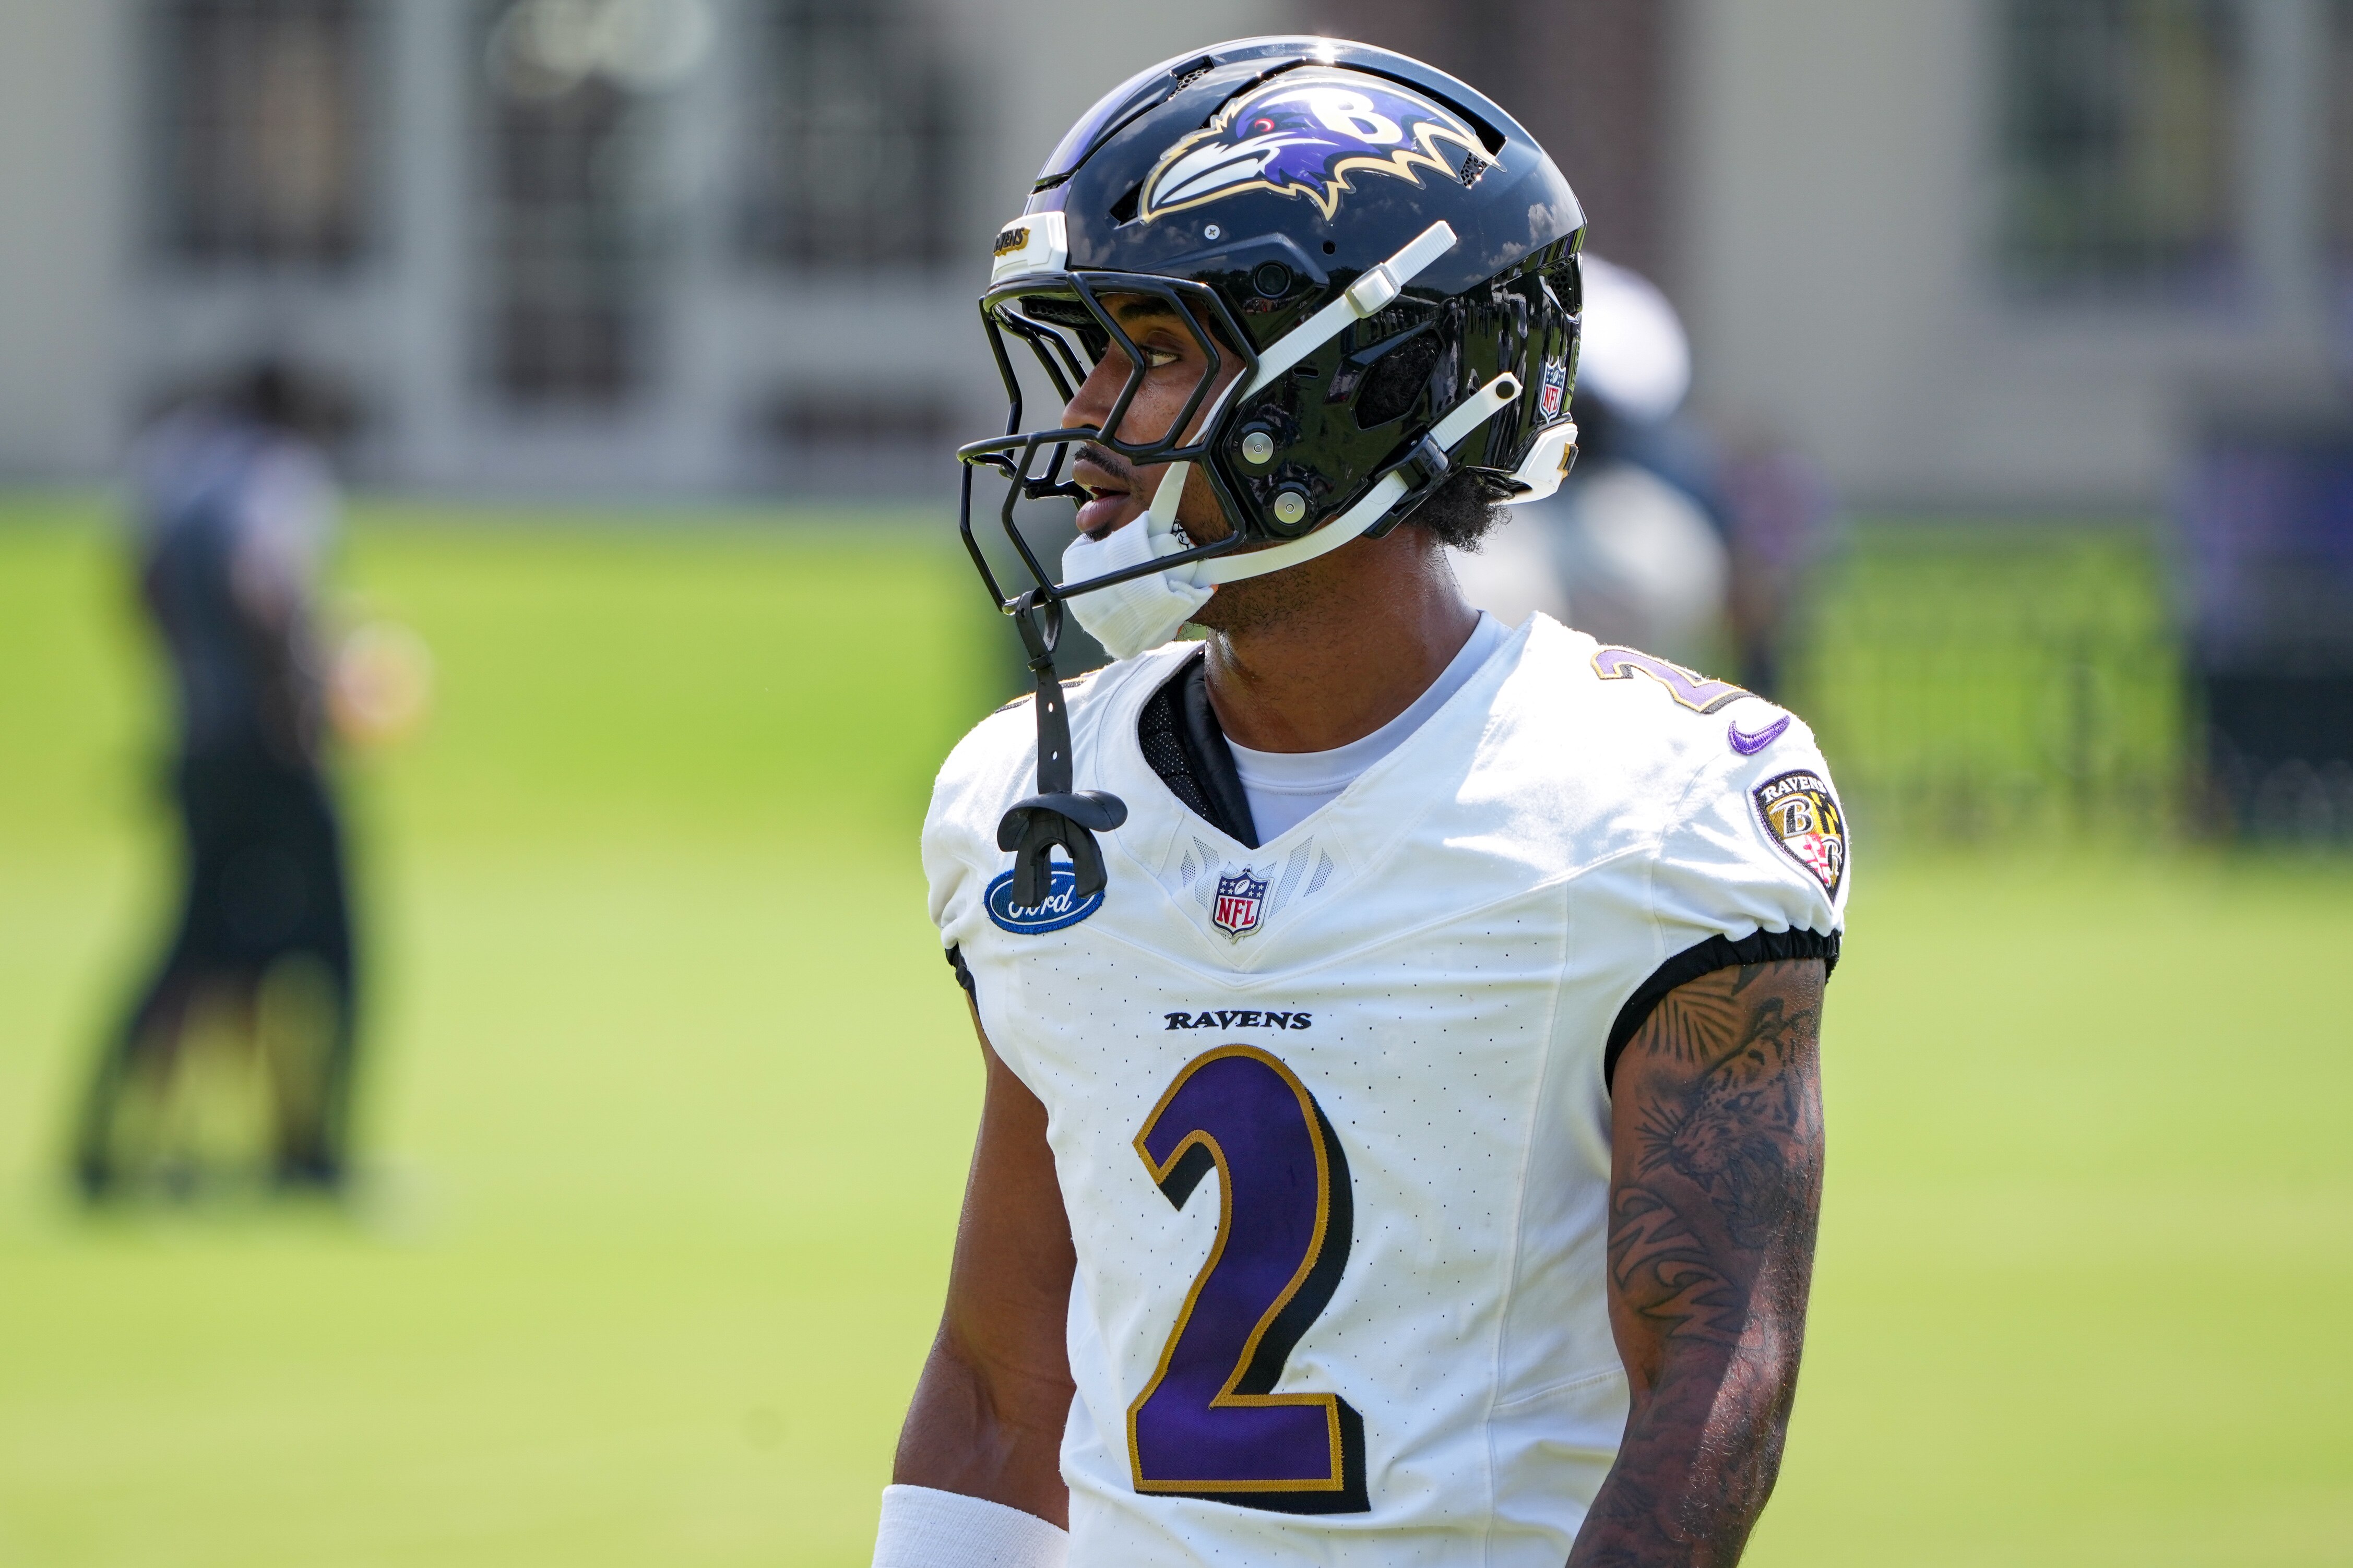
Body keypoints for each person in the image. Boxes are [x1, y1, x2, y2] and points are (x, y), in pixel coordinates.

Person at [884, 38, 1847, 1568]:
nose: (1087, 425)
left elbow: (1714, 1372)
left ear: (1358, 379)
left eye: (1154, 346)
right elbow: (1006, 1379)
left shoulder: (1655, 798)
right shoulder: (1030, 794)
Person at [74, 361, 359, 1199]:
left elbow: (140, 588)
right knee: (331, 950)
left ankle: (103, 1143)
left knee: (194, 946)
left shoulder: (175, 469)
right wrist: (296, 693)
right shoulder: (275, 472)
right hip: (272, 750)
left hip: (200, 742)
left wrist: (188, 688)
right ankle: (309, 1151)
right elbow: (263, 582)